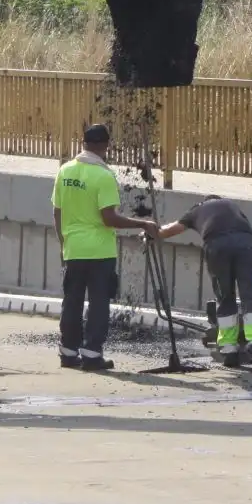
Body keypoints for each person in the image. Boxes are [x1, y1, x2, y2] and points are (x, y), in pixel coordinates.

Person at [53, 124, 159, 372]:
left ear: (84, 143)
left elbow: (57, 212)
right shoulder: (103, 176)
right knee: (99, 303)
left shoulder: (65, 171)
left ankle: (68, 352)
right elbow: (109, 218)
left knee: (72, 301)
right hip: (100, 252)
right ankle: (92, 355)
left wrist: (63, 243)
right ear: (105, 146)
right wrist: (143, 223)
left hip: (73, 248)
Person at [155, 195, 252, 370]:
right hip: (247, 246)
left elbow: (169, 230)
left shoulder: (197, 209)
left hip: (217, 247)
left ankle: (229, 349)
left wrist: (150, 233)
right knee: (250, 296)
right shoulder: (232, 206)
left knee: (225, 297)